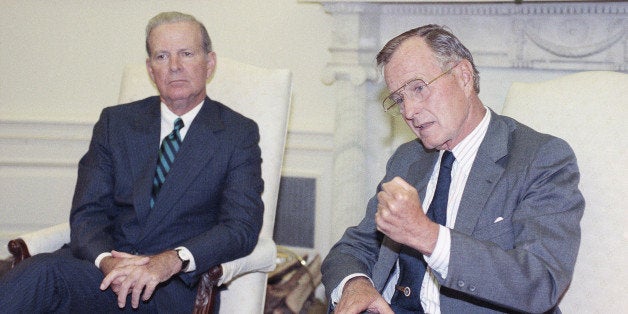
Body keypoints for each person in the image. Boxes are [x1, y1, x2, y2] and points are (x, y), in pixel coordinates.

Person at [0, 11, 263, 312]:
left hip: (168, 287)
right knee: (39, 273)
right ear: (151, 70)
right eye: (162, 56)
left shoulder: (236, 133)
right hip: (100, 274)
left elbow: (240, 227)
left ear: (210, 63)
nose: (174, 66)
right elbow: (88, 213)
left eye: (186, 54)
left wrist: (172, 260)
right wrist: (108, 262)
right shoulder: (116, 123)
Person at [321, 25, 584, 313]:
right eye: (399, 99)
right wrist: (355, 284)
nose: (408, 111)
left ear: (463, 76)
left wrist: (428, 236)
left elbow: (540, 282)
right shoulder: (408, 159)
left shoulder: (539, 158)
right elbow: (354, 247)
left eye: (418, 88)